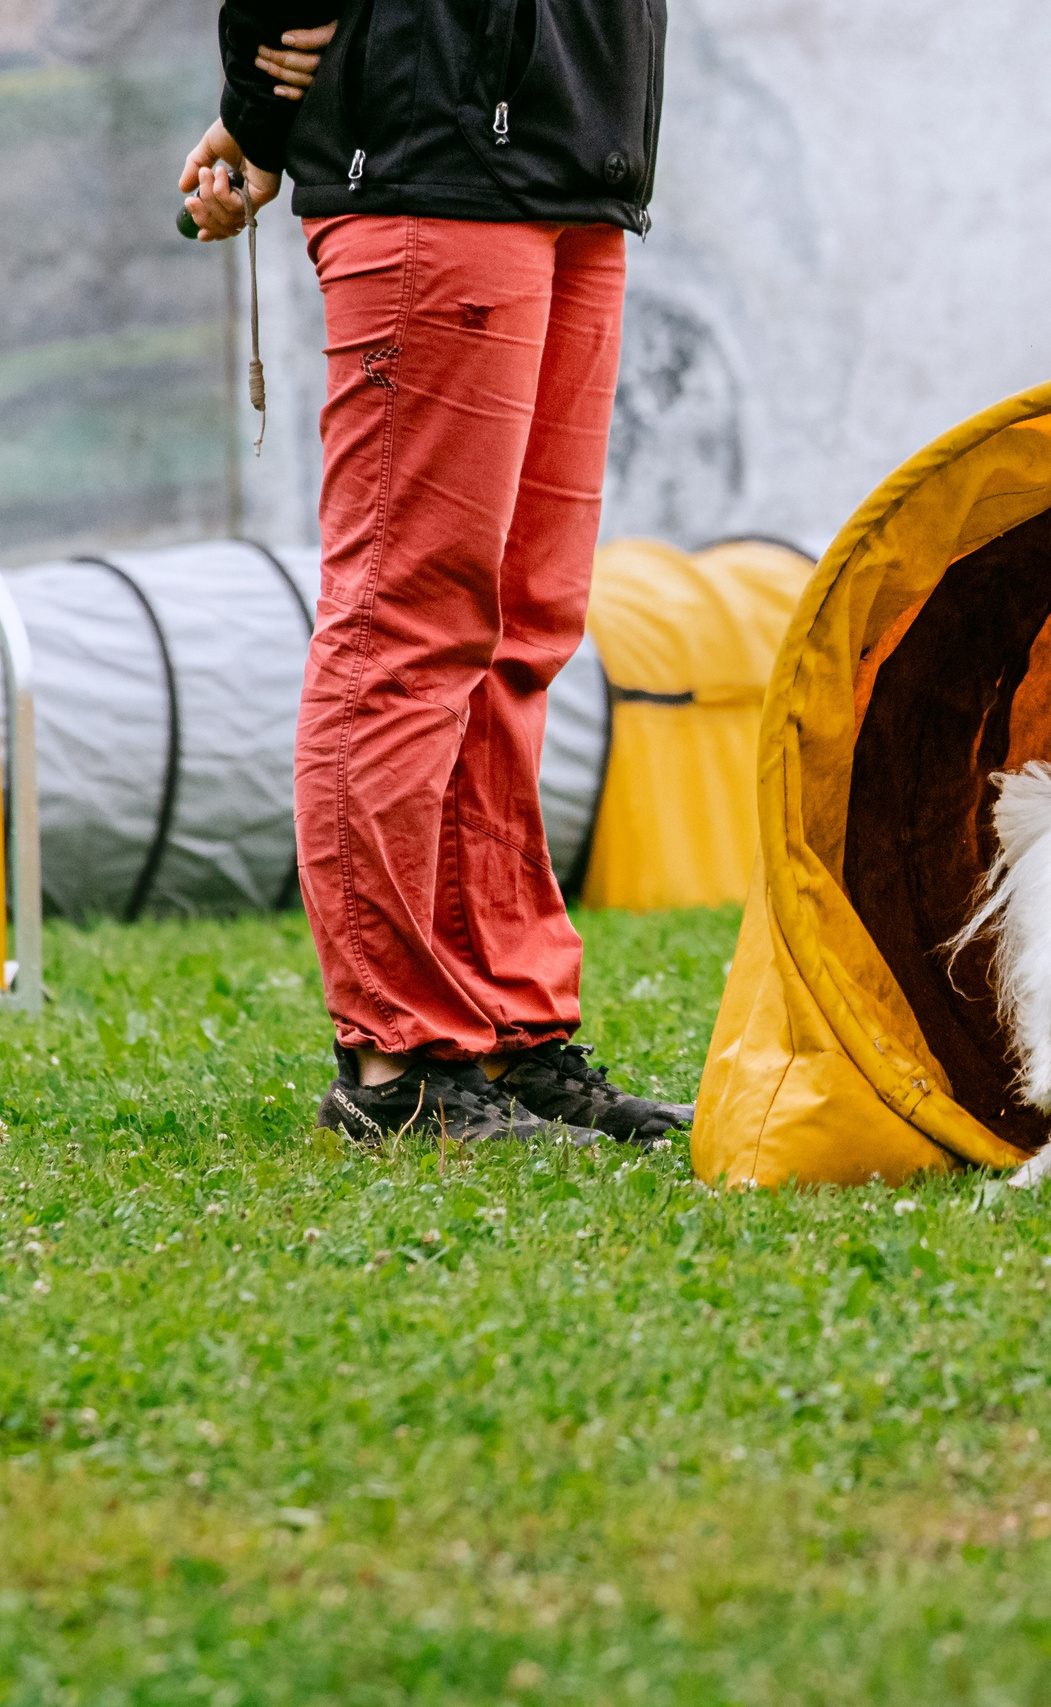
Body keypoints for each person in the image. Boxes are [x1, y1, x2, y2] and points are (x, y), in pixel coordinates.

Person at [183, 0, 687, 1145]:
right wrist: (259, 112)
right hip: (433, 169)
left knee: (522, 631)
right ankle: (394, 1058)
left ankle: (509, 1038)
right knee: (405, 632)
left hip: (571, 169)